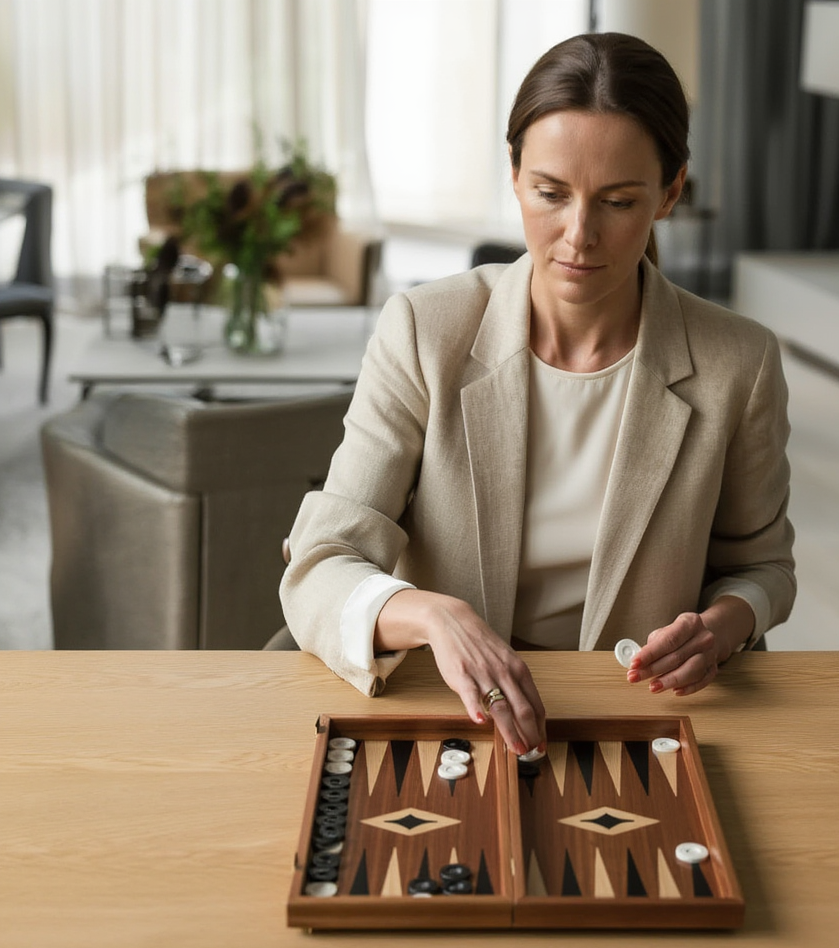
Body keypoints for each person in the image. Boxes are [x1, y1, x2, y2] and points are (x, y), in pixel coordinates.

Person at [281, 32, 795, 757]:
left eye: (618, 201)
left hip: (635, 714)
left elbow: (763, 566)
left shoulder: (739, 361)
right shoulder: (425, 331)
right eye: (551, 194)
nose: (579, 235)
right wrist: (432, 616)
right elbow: (321, 561)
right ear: (515, 174)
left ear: (670, 193)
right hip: (450, 705)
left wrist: (724, 626)